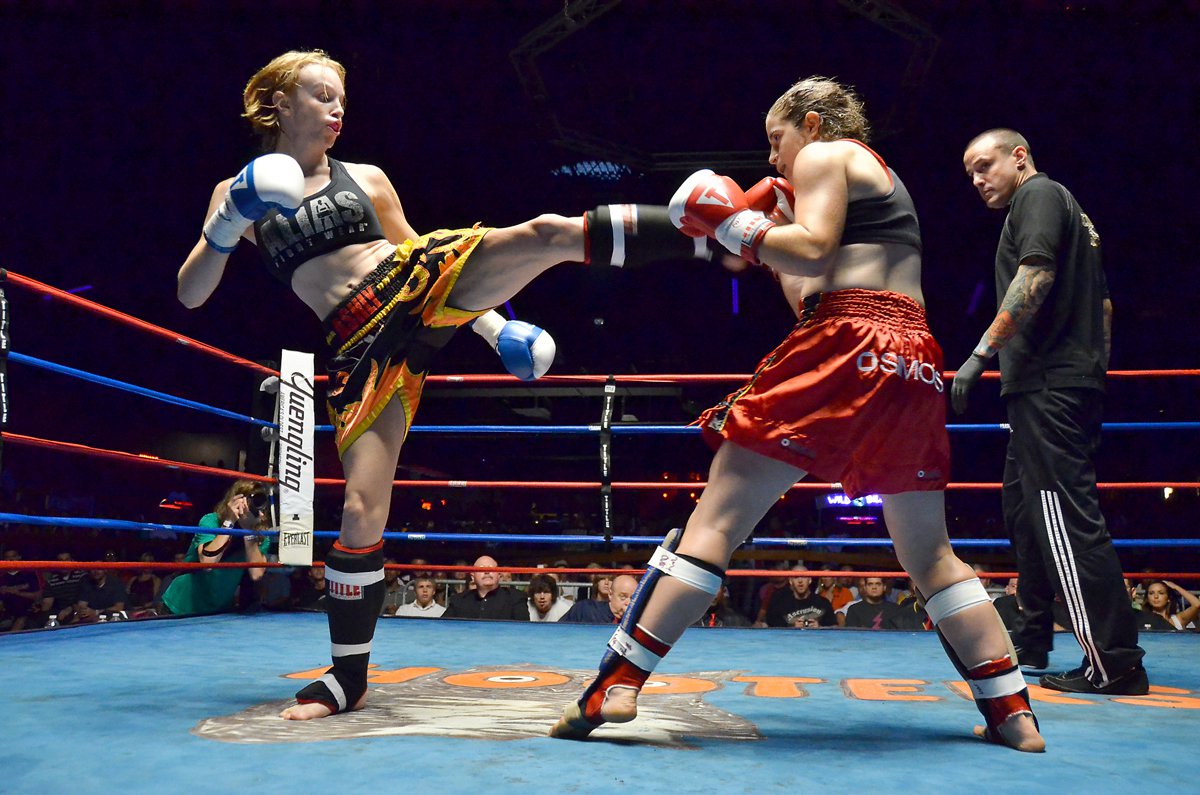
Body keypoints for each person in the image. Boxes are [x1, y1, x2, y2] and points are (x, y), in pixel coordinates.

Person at [177, 50, 711, 721]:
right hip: (360, 341)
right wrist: (226, 226)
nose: (338, 108)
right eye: (321, 94)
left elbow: (424, 249)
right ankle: (347, 678)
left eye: (342, 96)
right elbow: (190, 293)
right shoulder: (235, 193)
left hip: (409, 279)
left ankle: (709, 234)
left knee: (543, 233)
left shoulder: (366, 177)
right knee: (361, 510)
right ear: (279, 104)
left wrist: (493, 332)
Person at [551, 77, 1044, 751]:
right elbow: (811, 290)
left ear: (811, 124)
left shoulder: (825, 154)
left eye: (775, 140)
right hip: (914, 358)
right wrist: (763, 233)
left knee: (717, 519)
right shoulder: (875, 183)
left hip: (852, 338)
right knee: (930, 552)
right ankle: (1013, 713)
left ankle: (618, 683)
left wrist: (736, 222)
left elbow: (816, 261)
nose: (774, 159)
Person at [955, 129, 1147, 695]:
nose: (977, 180)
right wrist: (1093, 377)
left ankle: (1114, 661)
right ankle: (1032, 633)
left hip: (1048, 383)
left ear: (1019, 157)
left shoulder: (1036, 197)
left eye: (984, 165)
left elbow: (1033, 276)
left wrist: (979, 355)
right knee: (1023, 511)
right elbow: (1105, 305)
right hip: (1064, 381)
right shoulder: (1073, 212)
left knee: (1064, 518)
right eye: (969, 173)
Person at [159, 480, 270, 616]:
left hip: (217, 611)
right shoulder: (211, 521)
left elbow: (256, 573)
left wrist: (248, 531)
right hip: (182, 604)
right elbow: (207, 563)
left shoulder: (260, 535)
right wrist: (229, 521)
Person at [440, 557, 528, 620]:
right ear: (473, 577)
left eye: (491, 568)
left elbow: (523, 631)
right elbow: (443, 627)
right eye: (481, 569)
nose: (487, 572)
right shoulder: (459, 600)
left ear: (498, 575)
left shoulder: (515, 598)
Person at [763, 566, 836, 629]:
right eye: (796, 577)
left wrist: (820, 628)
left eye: (803, 577)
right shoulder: (780, 604)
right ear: (791, 581)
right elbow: (770, 629)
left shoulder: (823, 603)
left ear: (809, 580)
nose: (800, 581)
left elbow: (836, 628)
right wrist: (792, 627)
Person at [560, 574, 637, 624]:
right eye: (623, 597)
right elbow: (559, 630)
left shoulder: (638, 619)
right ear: (610, 594)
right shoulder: (584, 608)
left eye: (633, 598)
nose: (628, 602)